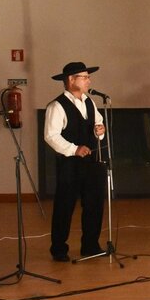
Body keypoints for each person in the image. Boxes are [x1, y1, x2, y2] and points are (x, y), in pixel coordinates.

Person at [44, 61, 106, 262]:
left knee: (94, 204)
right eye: (85, 77)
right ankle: (59, 249)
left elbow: (98, 123)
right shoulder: (57, 106)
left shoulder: (90, 102)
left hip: (92, 161)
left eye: (88, 77)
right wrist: (74, 149)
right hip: (70, 164)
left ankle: (90, 245)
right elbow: (51, 136)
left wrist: (100, 131)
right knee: (65, 206)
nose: (89, 81)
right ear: (71, 80)